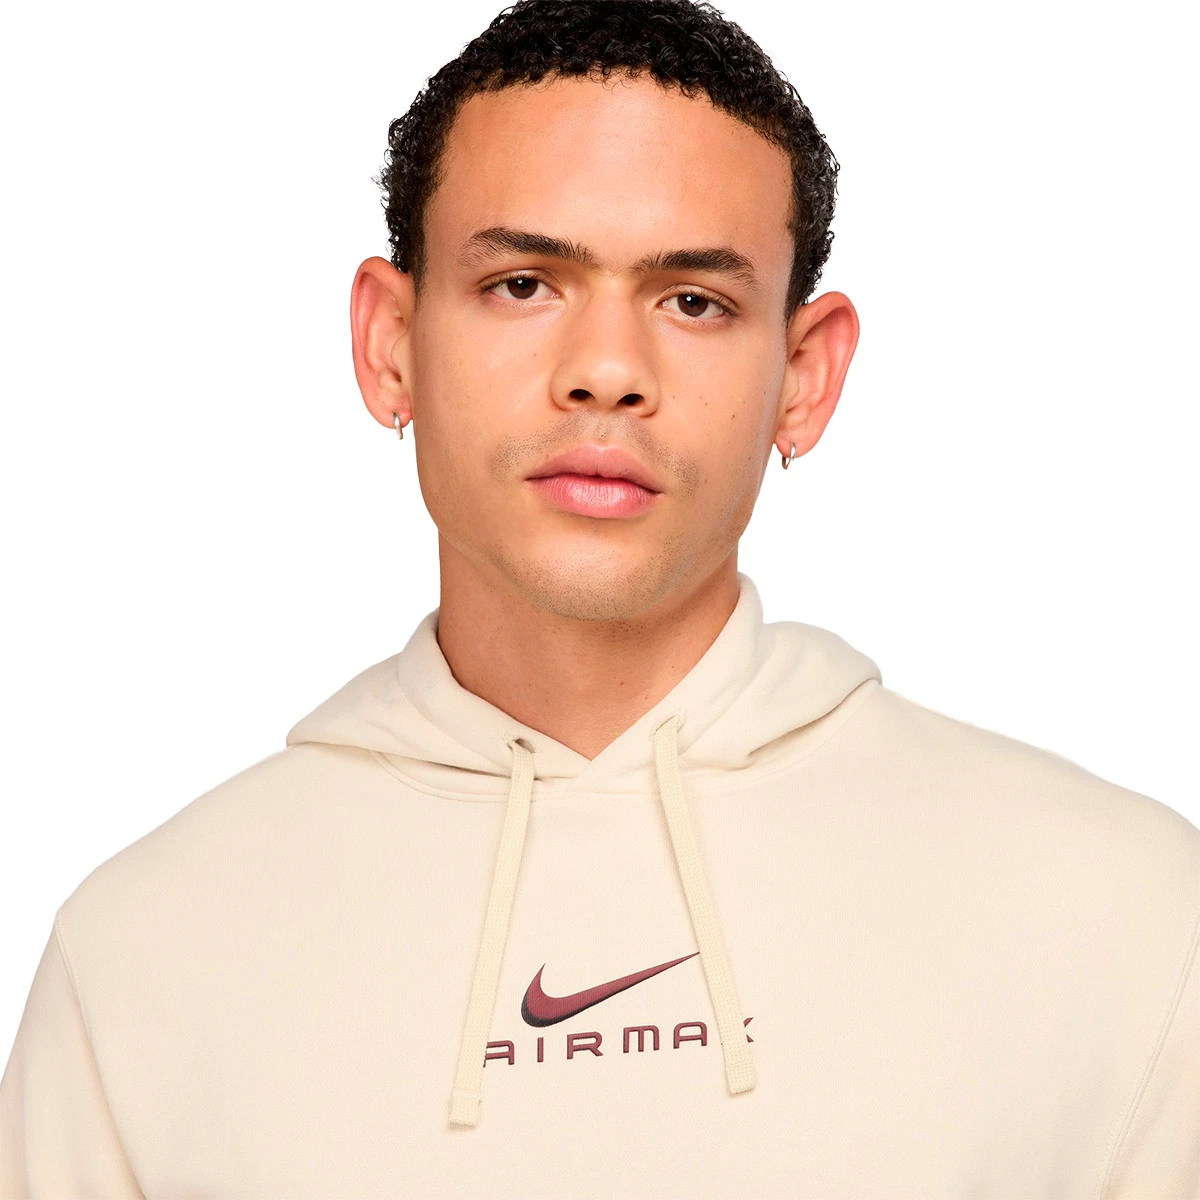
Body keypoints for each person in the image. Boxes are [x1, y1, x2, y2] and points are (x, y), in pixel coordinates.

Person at [2, 0, 1197, 1194]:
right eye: (524, 283)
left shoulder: (1125, 918)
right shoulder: (143, 958)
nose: (608, 372)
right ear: (390, 343)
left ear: (804, 376)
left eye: (694, 301)